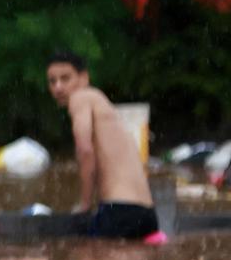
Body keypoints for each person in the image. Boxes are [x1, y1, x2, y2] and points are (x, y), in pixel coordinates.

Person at [45, 52, 158, 238]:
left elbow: (85, 150)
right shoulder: (105, 107)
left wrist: (85, 206)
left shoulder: (80, 98)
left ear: (84, 78)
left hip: (120, 210)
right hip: (146, 213)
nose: (58, 87)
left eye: (65, 78)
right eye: (52, 81)